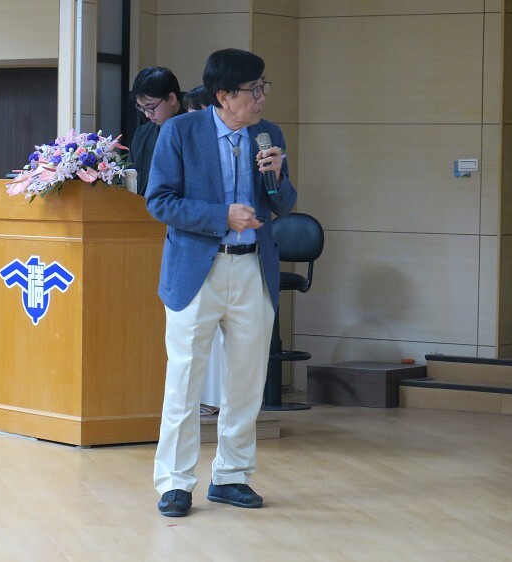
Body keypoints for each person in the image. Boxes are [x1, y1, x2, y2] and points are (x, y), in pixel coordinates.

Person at [145, 48, 297, 518]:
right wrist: (221, 216)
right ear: (224, 95)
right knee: (184, 379)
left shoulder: (268, 135)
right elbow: (160, 201)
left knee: (246, 381)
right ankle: (175, 482)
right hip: (197, 271)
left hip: (253, 269)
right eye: (254, 89)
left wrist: (275, 176)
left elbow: (284, 204)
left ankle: (232, 476)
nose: (262, 97)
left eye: (263, 87)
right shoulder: (180, 131)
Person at [184, 83, 223, 418]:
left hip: (226, 253)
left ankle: (216, 398)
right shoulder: (184, 145)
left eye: (195, 112)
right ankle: (201, 397)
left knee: (221, 337)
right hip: (194, 251)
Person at [129, 67, 183, 196]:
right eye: (142, 108)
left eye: (150, 107)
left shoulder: (193, 131)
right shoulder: (142, 133)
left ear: (171, 98)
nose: (147, 115)